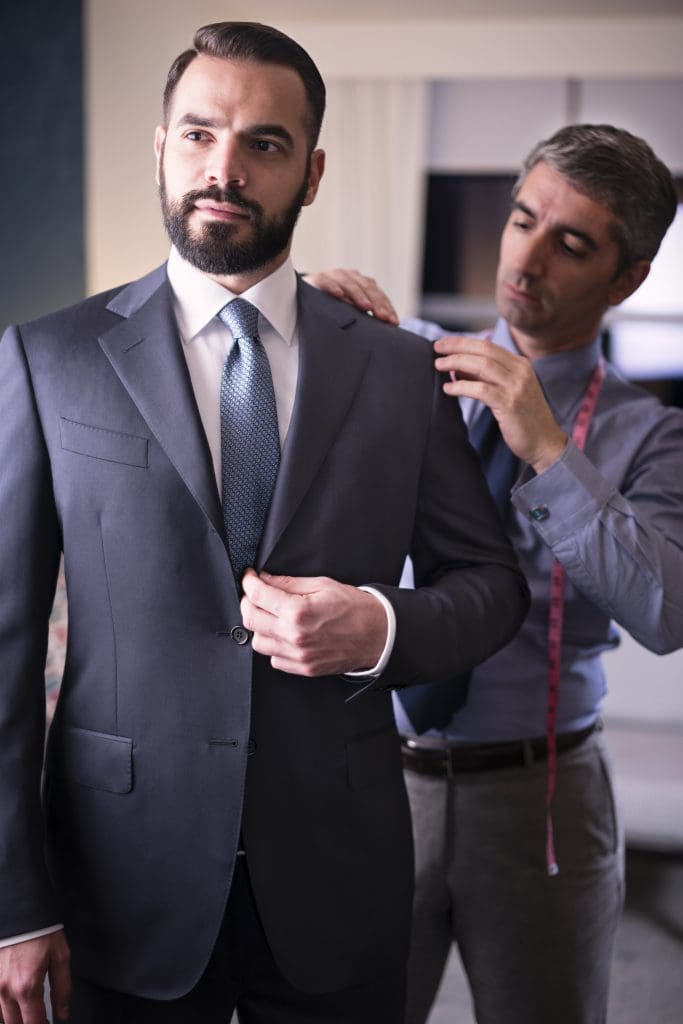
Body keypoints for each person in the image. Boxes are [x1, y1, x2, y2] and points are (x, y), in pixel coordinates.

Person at [0, 22, 529, 1024]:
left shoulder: (393, 369)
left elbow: (491, 588)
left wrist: (378, 625)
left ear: (312, 170)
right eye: (198, 135)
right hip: (119, 880)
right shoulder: (46, 360)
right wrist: (11, 905)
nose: (224, 169)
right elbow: (4, 644)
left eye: (264, 144)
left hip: (340, 874)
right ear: (160, 148)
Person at [310, 124, 683, 1024]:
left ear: (624, 279)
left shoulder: (649, 435)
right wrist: (299, 322)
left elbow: (666, 613)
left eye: (572, 243)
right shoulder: (402, 358)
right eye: (522, 220)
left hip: (540, 800)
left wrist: (550, 452)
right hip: (374, 782)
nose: (527, 257)